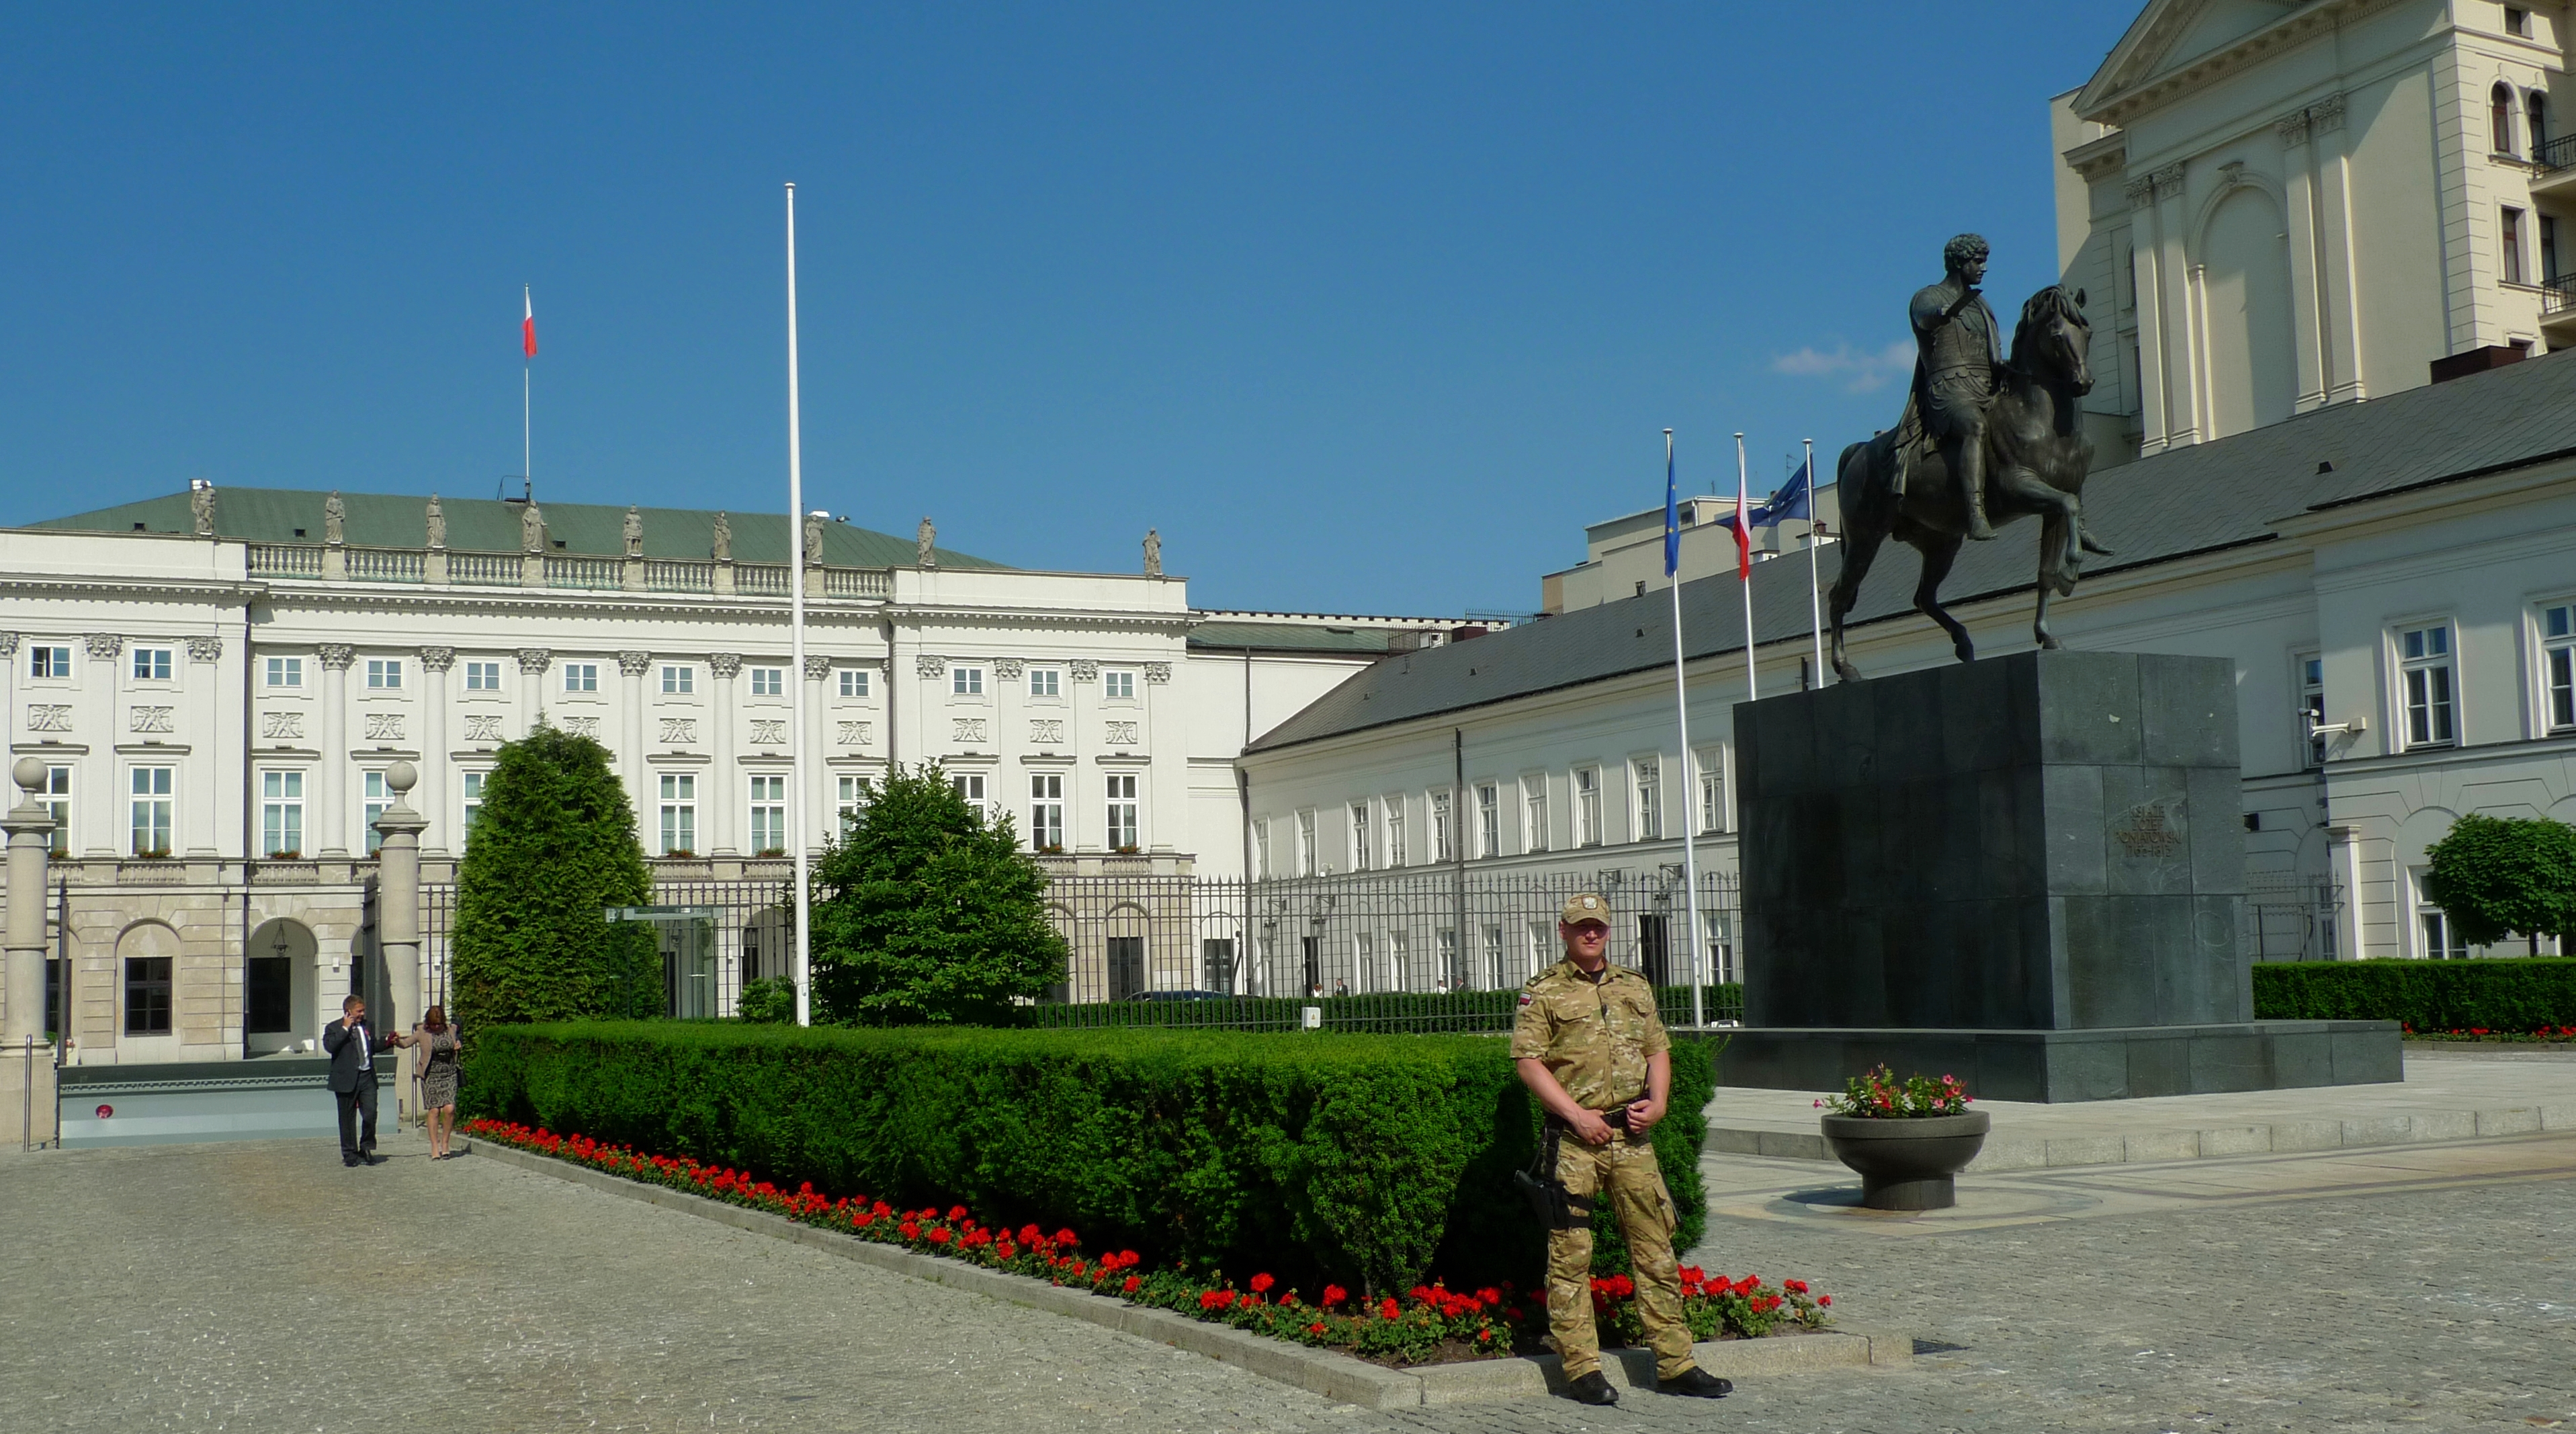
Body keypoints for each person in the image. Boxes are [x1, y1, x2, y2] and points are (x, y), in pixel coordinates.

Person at [1510, 892, 1731, 1406]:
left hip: (1632, 1139)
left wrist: (1659, 1102)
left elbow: (1658, 1049)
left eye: (1599, 927)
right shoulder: (1542, 991)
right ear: (1564, 931)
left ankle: (1676, 1364)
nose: (1591, 934)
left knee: (1656, 1250)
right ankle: (1582, 1369)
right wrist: (1576, 1115)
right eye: (1581, 926)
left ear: (1608, 932)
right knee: (1571, 1256)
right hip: (1573, 1141)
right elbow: (1529, 1063)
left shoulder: (1634, 985)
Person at [1906, 233, 2004, 540]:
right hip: (1949, 389)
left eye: (1984, 261)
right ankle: (1976, 514)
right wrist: (1942, 314)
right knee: (1975, 426)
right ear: (1959, 262)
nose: (1983, 268)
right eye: (1977, 261)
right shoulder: (1929, 296)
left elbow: (1994, 353)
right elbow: (1923, 318)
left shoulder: (1981, 305)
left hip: (1986, 386)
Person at [323, 994, 397, 1167]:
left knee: (370, 1113)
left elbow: (372, 1047)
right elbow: (330, 1046)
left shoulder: (367, 1026)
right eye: (359, 1011)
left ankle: (366, 1147)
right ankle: (350, 1153)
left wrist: (387, 1043)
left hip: (366, 1077)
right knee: (347, 1119)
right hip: (346, 1079)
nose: (362, 1014)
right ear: (348, 1012)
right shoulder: (333, 1027)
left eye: (363, 1011)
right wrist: (345, 1029)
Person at [394, 1005, 462, 1159]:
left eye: (439, 1024)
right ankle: (434, 1146)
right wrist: (396, 1041)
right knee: (434, 1111)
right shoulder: (422, 1032)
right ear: (428, 1023)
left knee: (450, 1109)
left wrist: (458, 1046)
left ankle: (445, 1143)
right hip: (431, 1075)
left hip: (449, 1073)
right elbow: (405, 1044)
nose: (437, 1027)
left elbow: (457, 1042)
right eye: (434, 1024)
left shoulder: (451, 1029)